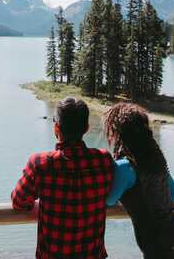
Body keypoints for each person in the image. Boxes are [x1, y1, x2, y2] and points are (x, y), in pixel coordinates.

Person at [11, 97, 115, 259]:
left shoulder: (40, 164)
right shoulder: (103, 160)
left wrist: (41, 207)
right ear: (86, 128)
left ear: (57, 128)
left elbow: (19, 201)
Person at [104, 103, 174, 259]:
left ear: (120, 135)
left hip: (163, 249)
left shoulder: (124, 168)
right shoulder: (155, 161)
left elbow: (110, 200)